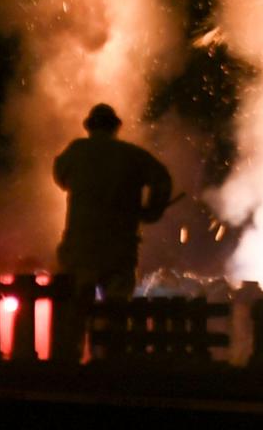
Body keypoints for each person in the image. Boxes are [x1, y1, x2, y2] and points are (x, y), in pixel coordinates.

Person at [53, 103, 173, 299]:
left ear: (89, 127)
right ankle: (112, 328)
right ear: (115, 127)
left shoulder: (76, 151)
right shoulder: (132, 155)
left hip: (81, 249)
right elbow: (162, 180)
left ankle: (81, 328)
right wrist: (152, 211)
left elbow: (60, 177)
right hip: (120, 249)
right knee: (116, 312)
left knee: (78, 308)